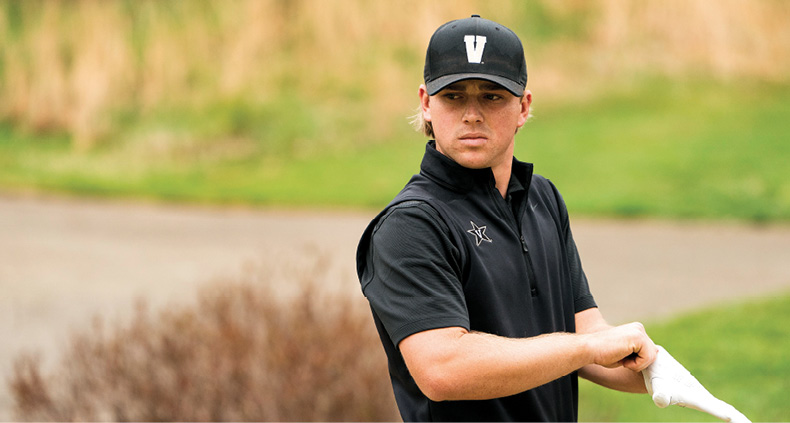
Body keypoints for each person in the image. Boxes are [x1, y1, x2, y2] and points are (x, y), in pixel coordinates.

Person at [356, 15, 658, 422]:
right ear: (427, 103)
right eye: (454, 96)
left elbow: (585, 333)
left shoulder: (542, 198)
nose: (472, 115)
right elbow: (443, 368)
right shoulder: (411, 225)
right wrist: (586, 349)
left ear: (524, 106)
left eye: (492, 96)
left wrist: (655, 372)